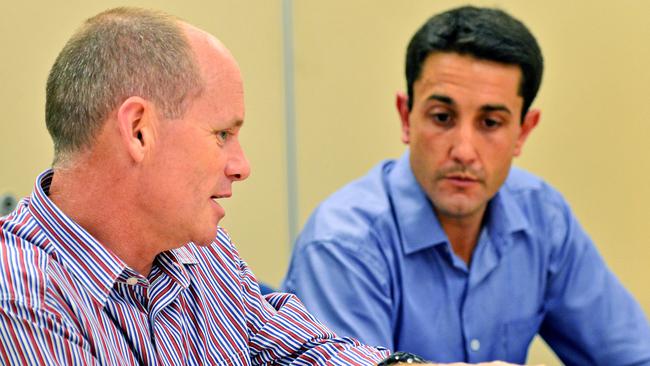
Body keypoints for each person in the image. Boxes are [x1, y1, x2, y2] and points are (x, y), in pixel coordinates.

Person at [0, 7, 403, 365]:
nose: (242, 167)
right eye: (223, 134)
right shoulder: (23, 299)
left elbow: (303, 351)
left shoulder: (199, 249)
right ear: (138, 131)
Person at [282, 5, 650, 365]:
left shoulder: (543, 216)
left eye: (490, 123)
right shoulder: (342, 244)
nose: (463, 151)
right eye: (442, 117)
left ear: (523, 131)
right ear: (406, 117)